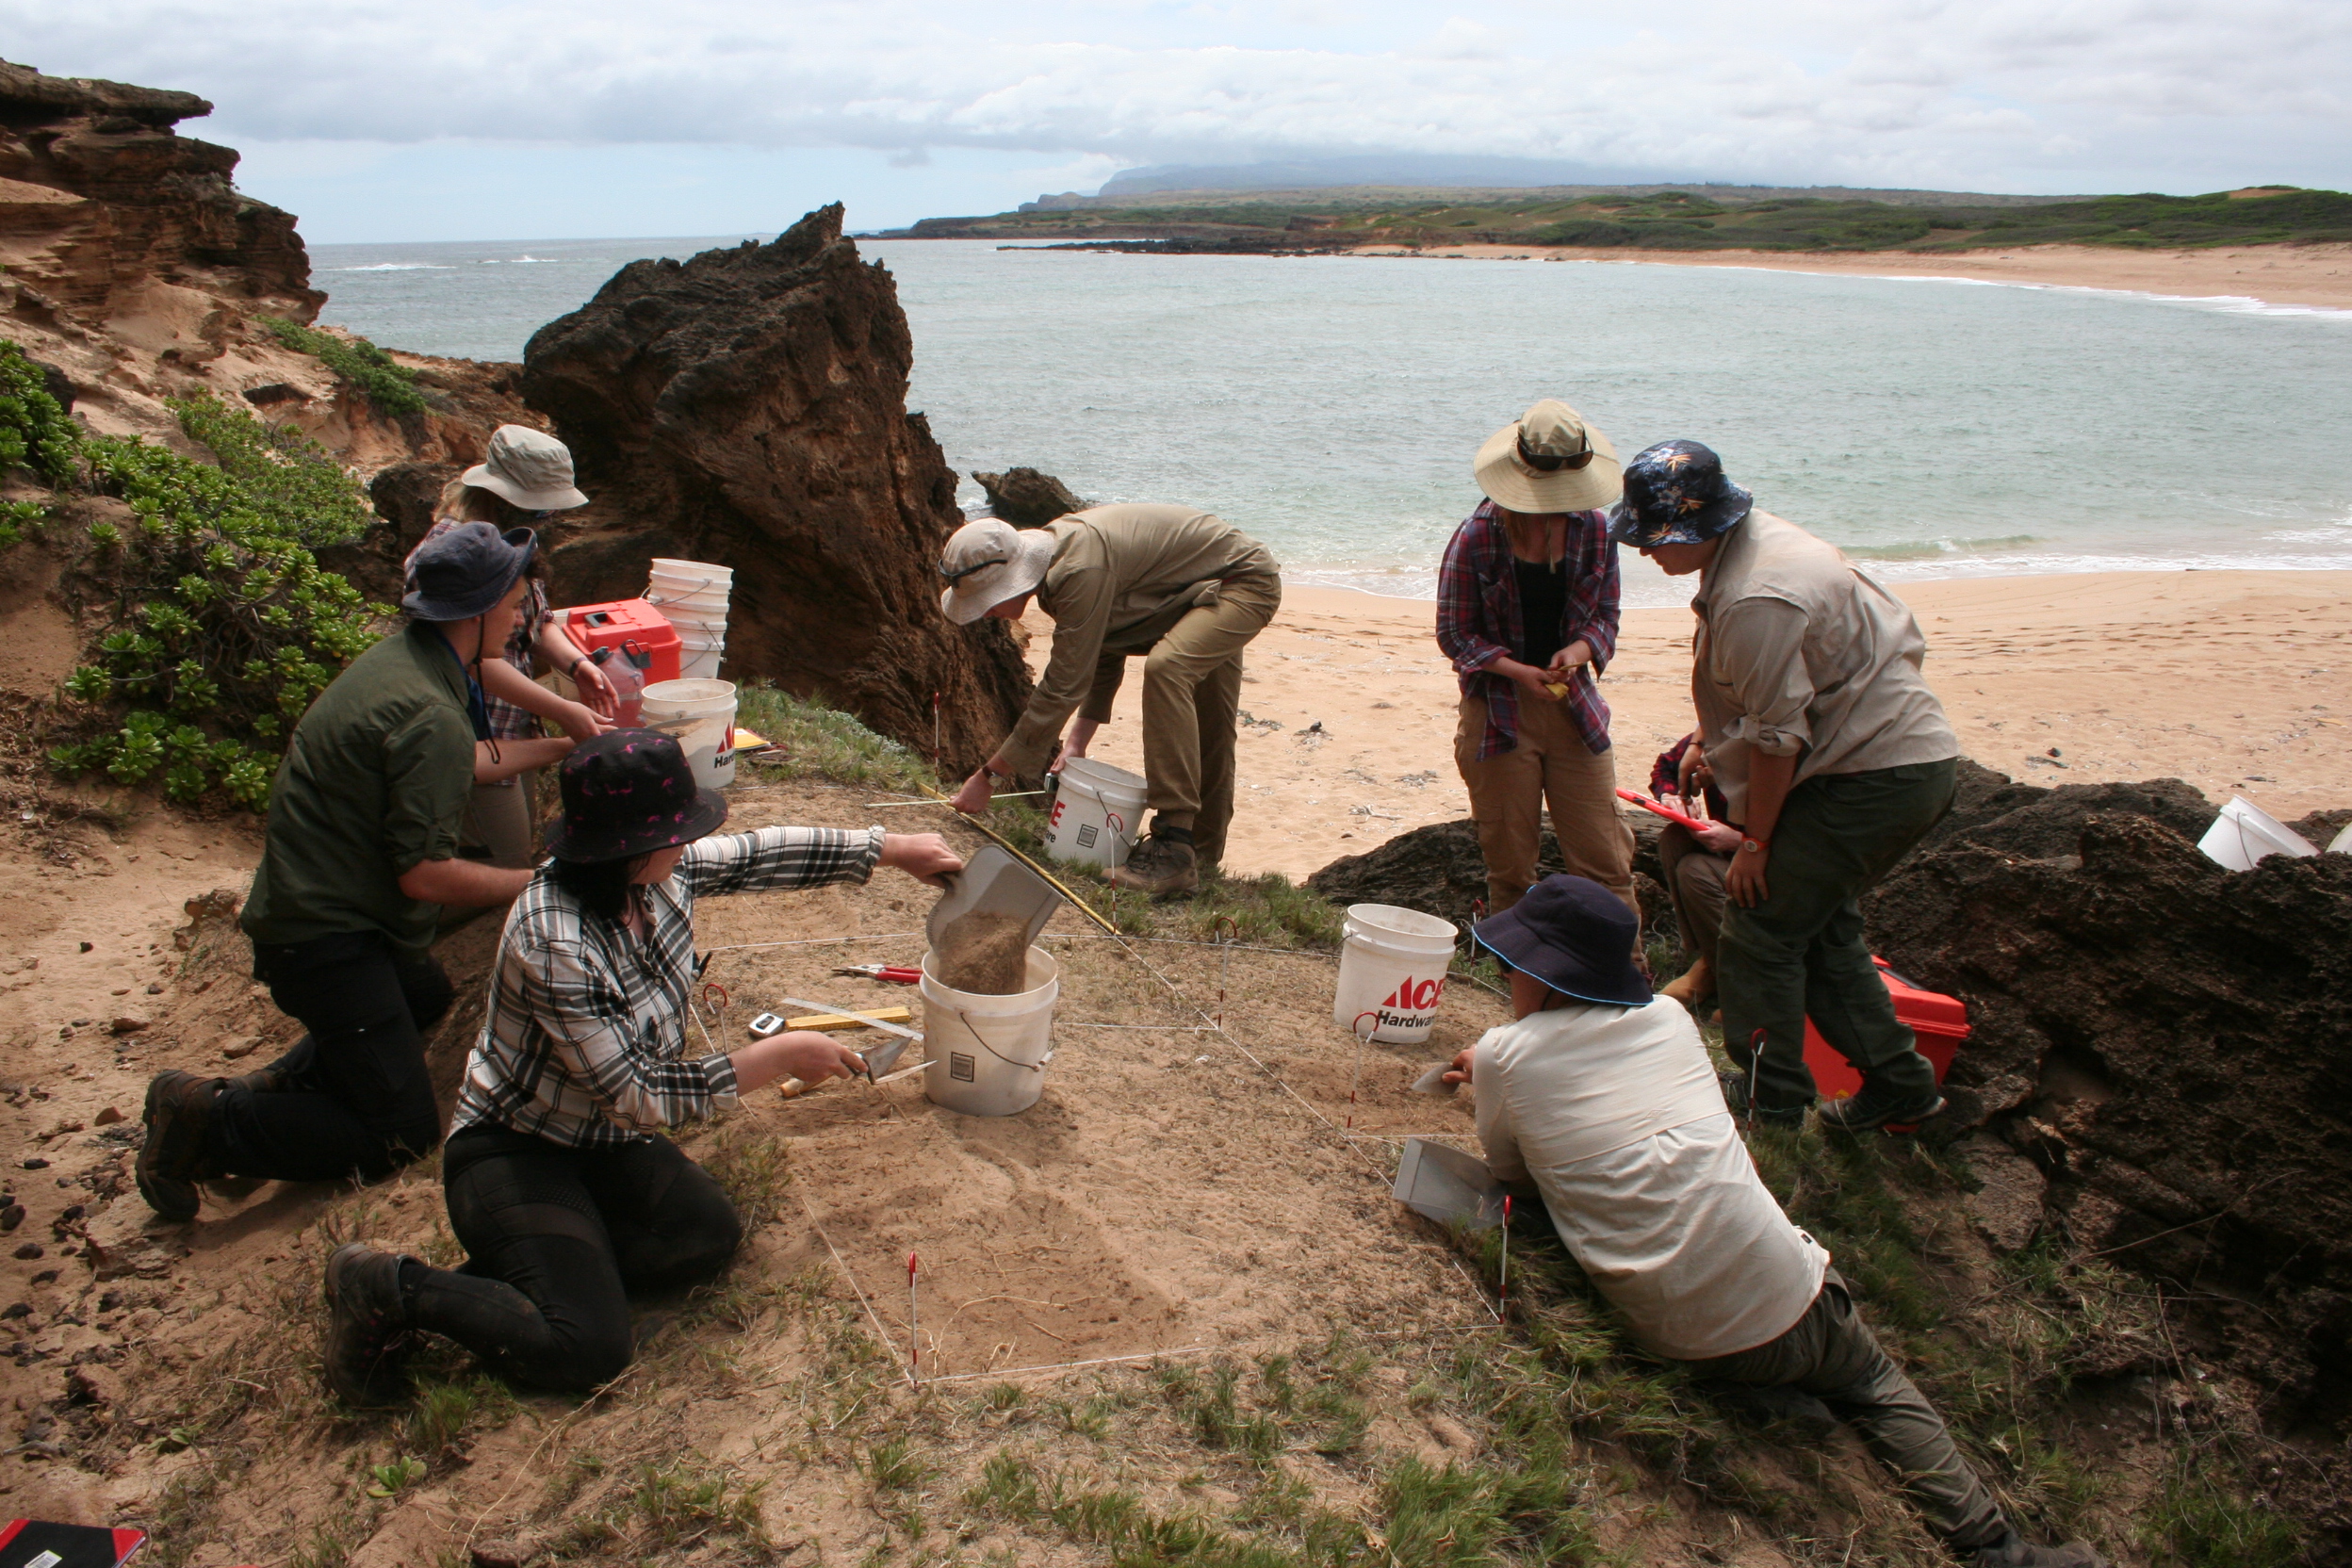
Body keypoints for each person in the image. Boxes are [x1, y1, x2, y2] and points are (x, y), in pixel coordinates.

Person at [1446, 874, 2107, 1568]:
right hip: (1792, 1298)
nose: (1505, 975)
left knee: (1774, 1354)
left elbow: (1516, 1177)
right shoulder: (1671, 1024)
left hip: (1677, 1336)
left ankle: (1769, 1398)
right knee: (1875, 1385)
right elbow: (1618, 1041)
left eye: (1508, 963)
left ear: (1540, 974)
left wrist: (1492, 1075)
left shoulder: (1501, 1057)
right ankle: (1997, 1550)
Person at [318, 729, 965, 1403]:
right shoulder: (554, 938)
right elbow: (637, 1096)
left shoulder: (655, 875)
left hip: (599, 1143)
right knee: (588, 1348)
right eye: (676, 831)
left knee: (704, 1236)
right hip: (515, 1147)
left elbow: (759, 854)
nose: (687, 843)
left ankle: (543, 1264)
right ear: (622, 848)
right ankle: (390, 1287)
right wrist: (777, 1056)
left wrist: (889, 849)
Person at [136, 523, 576, 1221]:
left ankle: (263, 1090)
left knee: (423, 998)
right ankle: (211, 1124)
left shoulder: (409, 663)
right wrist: (540, 882)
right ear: (476, 610)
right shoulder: (429, 708)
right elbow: (426, 877)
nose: (523, 617)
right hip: (323, 935)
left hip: (336, 908)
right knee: (396, 1136)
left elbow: (454, 760)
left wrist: (564, 739)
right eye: (516, 603)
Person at [1611, 440, 1961, 1132]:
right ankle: (1903, 1090)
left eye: (1654, 540)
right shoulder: (1765, 543)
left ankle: (1772, 1096)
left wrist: (1756, 841)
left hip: (1868, 776)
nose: (1646, 553)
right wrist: (1710, 740)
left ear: (1699, 528)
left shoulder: (1756, 596)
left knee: (1761, 927)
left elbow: (1780, 738)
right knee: (1825, 932)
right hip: (1898, 761)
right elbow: (1795, 692)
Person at [941, 506, 1282, 898]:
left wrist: (989, 777)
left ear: (1013, 576)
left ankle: (1175, 847)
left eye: (988, 600)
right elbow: (1104, 648)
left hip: (1242, 583)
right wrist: (1076, 743)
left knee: (1169, 671)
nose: (987, 613)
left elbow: (1061, 687)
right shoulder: (1058, 568)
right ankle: (1197, 863)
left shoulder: (1078, 572)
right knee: (1202, 715)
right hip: (1189, 594)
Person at [1435, 400, 1636, 919]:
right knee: (1510, 868)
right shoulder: (1477, 536)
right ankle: (1515, 981)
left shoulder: (1593, 529)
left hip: (1575, 708)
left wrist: (1580, 650)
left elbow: (1606, 616)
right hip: (1499, 714)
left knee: (1605, 862)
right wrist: (1516, 670)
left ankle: (1626, 982)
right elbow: (1455, 634)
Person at [417, 425, 619, 868]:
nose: (547, 517)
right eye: (542, 509)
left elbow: (537, 621)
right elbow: (472, 661)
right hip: (477, 730)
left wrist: (578, 664)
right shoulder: (455, 551)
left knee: (518, 847)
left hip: (514, 723)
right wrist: (563, 710)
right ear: (506, 497)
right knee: (502, 860)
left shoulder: (511, 536)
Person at [1648, 733, 1741, 1009]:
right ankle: (1712, 964)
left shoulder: (1775, 746)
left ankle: (1747, 982)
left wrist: (1742, 841)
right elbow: (1666, 766)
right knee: (1674, 839)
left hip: (1776, 863)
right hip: (1739, 853)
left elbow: (1805, 838)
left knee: (1694, 870)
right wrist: (1671, 795)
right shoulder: (1718, 730)